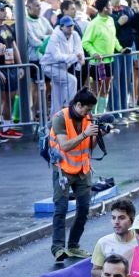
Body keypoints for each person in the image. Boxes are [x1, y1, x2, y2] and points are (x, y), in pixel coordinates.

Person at [48, 89, 100, 262]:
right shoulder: (60, 118)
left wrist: (99, 134)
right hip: (63, 170)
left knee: (84, 209)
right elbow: (65, 145)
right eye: (87, 109)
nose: (89, 113)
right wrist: (85, 133)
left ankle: (73, 246)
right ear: (78, 105)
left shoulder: (87, 118)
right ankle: (58, 248)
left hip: (82, 170)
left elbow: (89, 146)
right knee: (61, 208)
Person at [90, 199, 138, 277]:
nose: (116, 222)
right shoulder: (103, 243)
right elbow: (94, 273)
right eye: (113, 218)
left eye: (121, 218)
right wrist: (114, 273)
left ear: (132, 220)